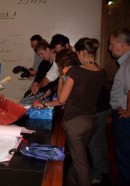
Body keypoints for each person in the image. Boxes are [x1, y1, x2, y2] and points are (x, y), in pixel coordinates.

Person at [36, 38, 107, 186]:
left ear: (82, 52)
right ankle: (70, 182)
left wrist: (62, 76)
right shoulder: (102, 72)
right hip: (92, 120)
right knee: (79, 159)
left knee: (80, 163)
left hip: (76, 123)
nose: (77, 56)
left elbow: (61, 99)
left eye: (77, 52)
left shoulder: (75, 71)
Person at [109, 28, 130, 186]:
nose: (110, 48)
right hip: (123, 115)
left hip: (125, 118)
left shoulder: (128, 63)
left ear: (122, 44)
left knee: (124, 157)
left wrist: (128, 112)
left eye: (111, 44)